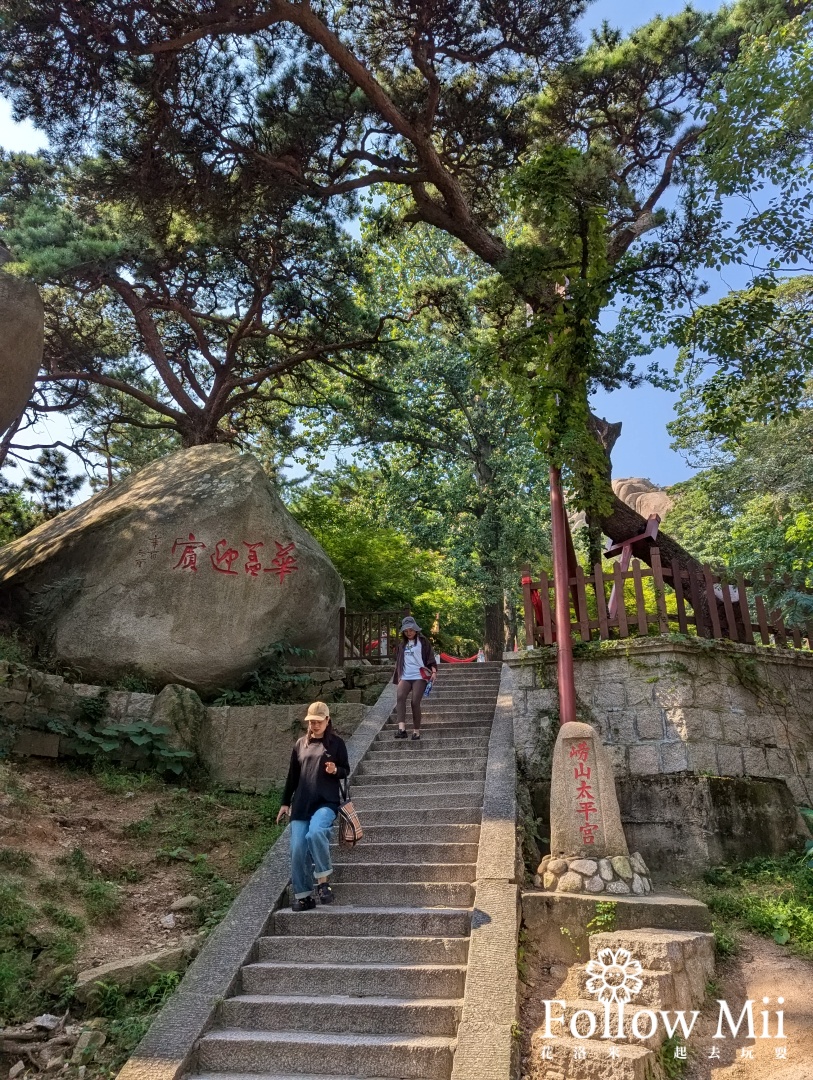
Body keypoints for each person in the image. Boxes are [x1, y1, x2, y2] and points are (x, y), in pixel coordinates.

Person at [276, 701, 350, 911]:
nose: (314, 725)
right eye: (311, 722)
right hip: (301, 804)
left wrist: (335, 770)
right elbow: (292, 776)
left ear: (327, 720)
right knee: (297, 849)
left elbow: (345, 770)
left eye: (319, 721)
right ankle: (303, 896)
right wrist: (284, 802)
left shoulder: (336, 744)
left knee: (316, 833)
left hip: (326, 802)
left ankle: (323, 882)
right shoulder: (301, 744)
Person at [392, 615, 437, 740]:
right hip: (406, 675)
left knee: (415, 702)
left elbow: (430, 657)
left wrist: (433, 672)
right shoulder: (402, 645)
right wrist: (399, 676)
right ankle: (402, 729)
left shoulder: (423, 642)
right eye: (406, 631)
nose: (409, 633)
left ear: (416, 629)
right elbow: (400, 661)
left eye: (411, 630)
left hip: (419, 675)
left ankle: (416, 730)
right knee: (400, 697)